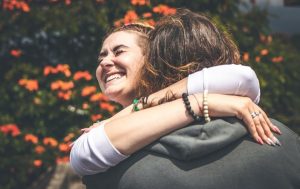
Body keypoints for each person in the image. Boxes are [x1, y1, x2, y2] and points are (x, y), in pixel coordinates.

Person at [80, 9, 300, 189]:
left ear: (151, 65)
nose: (105, 62)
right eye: (102, 56)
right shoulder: (286, 143)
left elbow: (85, 154)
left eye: (119, 52)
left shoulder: (111, 172)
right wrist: (204, 101)